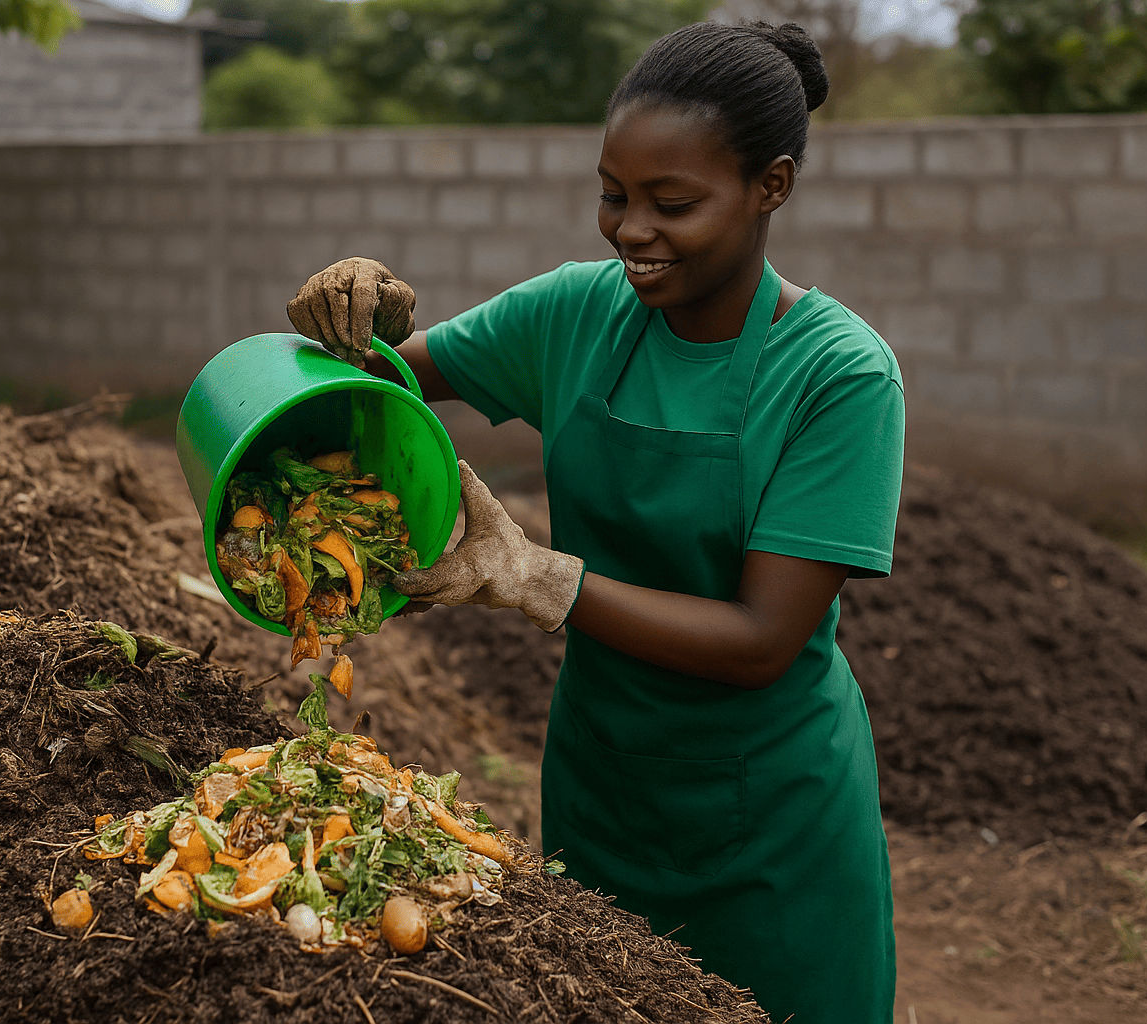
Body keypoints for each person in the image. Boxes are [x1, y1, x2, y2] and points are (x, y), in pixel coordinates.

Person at [285, 20, 902, 1024]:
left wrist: (539, 577)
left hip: (774, 823)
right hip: (600, 788)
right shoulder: (575, 313)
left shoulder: (838, 374)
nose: (631, 231)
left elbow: (761, 640)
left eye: (673, 204)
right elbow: (379, 387)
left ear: (771, 186)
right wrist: (358, 325)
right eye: (614, 195)